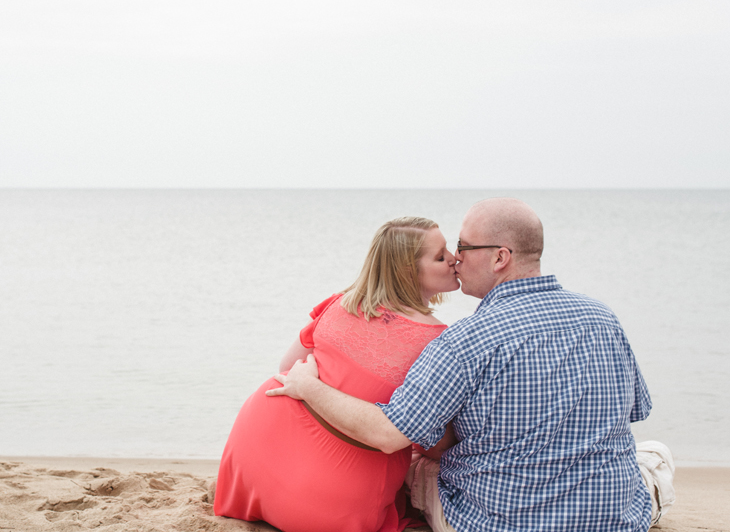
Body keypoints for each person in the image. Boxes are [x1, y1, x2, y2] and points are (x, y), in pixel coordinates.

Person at [268, 198, 674, 532]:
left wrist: (309, 387)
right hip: (612, 518)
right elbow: (633, 412)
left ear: (500, 257)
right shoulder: (602, 317)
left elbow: (388, 434)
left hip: (493, 521)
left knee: (414, 461)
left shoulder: (466, 338)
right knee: (653, 452)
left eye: (463, 246)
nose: (455, 258)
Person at [214, 216, 462, 532]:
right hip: (335, 493)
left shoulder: (342, 302)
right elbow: (432, 442)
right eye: (441, 256)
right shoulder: (437, 340)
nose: (455, 259)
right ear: (407, 271)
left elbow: (288, 366)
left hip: (253, 452)